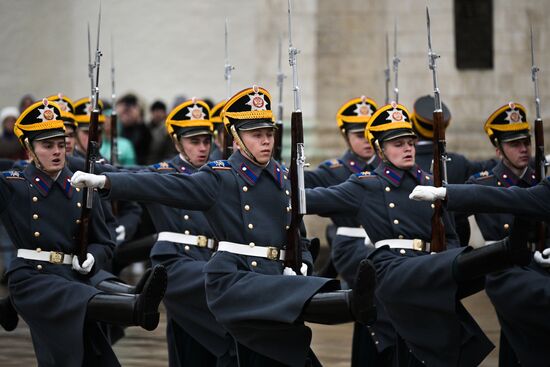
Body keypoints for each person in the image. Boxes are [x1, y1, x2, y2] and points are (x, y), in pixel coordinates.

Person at [71, 85, 377, 367]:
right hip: (234, 279)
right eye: (256, 134)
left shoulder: (283, 177)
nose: (266, 141)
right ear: (236, 137)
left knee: (274, 352)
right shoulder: (220, 177)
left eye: (269, 133)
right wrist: (106, 180)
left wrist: (304, 264)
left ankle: (350, 301)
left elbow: (296, 230)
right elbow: (159, 185)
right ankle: (350, 301)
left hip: (269, 279)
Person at [305, 101, 531, 366]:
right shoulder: (366, 186)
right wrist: (277, 182)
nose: (407, 149)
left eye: (410, 143)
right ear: (381, 148)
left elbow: (451, 238)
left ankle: (503, 255)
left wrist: (446, 264)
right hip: (394, 271)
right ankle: (504, 252)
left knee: (431, 352)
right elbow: (311, 199)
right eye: (398, 144)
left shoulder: (431, 185)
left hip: (431, 275)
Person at [3, 99, 166, 366]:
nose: (57, 151)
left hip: (74, 276)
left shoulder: (81, 185)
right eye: (47, 146)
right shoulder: (14, 185)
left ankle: (133, 300)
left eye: (60, 144)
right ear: (29, 149)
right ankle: (134, 307)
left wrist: (92, 256)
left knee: (93, 356)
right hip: (33, 279)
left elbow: (104, 241)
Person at [410, 102, 549, 366]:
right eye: (514, 144)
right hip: (507, 268)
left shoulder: (540, 177)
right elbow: (458, 221)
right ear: (499, 149)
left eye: (526, 142)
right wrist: (453, 253)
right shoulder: (483, 180)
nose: (523, 149)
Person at [304, 95, 380, 367]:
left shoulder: (388, 165)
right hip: (353, 249)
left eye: (370, 133)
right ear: (346, 136)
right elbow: (301, 185)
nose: (366, 140)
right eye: (359, 134)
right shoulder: (335, 170)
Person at [410, 95, 497, 244]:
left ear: (414, 124)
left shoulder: (405, 163)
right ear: (443, 127)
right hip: (457, 245)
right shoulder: (459, 162)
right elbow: (493, 170)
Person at [116, 93, 152, 165]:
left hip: (139, 166)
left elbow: (145, 144)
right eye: (125, 113)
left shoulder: (143, 130)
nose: (127, 116)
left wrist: (139, 116)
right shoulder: (117, 128)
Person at [100, 101, 137, 166]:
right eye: (105, 121)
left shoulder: (126, 144)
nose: (107, 124)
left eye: (110, 121)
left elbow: (130, 167)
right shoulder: (98, 142)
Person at [146, 100, 176, 164]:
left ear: (165, 113)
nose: (158, 114)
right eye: (155, 111)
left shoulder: (169, 129)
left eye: (160, 111)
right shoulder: (146, 128)